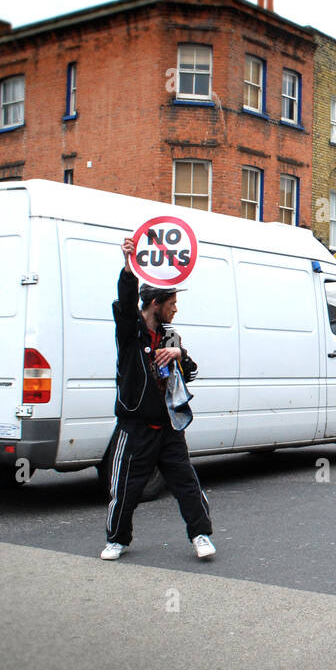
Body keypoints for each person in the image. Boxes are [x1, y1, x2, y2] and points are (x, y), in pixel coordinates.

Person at [102, 238, 216, 561]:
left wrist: (179, 353)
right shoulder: (130, 332)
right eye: (172, 302)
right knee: (125, 487)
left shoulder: (171, 335)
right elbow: (125, 305)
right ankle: (117, 540)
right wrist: (128, 265)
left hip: (168, 426)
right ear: (155, 302)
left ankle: (201, 535)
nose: (175, 308)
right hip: (135, 426)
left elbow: (190, 372)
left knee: (186, 484)